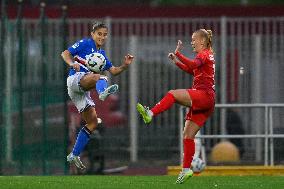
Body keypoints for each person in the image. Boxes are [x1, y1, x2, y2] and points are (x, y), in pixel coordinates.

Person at [137, 29, 215, 184]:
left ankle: (150, 113)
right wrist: (176, 61)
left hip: (204, 96)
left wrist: (179, 54)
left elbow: (193, 64)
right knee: (187, 135)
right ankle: (186, 170)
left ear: (203, 41)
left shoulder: (204, 54)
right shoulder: (205, 56)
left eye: (194, 40)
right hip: (207, 102)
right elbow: (192, 70)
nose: (192, 42)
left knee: (172, 94)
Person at [61, 22, 134, 169]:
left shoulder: (101, 55)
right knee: (100, 78)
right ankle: (102, 93)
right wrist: (71, 63)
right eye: (99, 33)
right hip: (75, 80)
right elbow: (65, 53)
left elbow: (113, 70)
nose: (102, 36)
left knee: (93, 123)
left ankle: (74, 155)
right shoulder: (85, 43)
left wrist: (125, 65)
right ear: (92, 34)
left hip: (82, 91)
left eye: (104, 34)